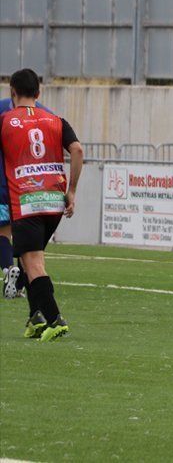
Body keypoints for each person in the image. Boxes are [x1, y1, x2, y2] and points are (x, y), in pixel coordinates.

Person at [0, 68, 83, 341]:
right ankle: (35, 318)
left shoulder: (5, 120)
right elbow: (78, 150)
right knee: (30, 259)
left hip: (26, 201)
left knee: (33, 263)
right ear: (39, 93)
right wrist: (71, 190)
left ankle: (55, 319)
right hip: (55, 203)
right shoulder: (56, 120)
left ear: (13, 93)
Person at [2, 97, 51, 300]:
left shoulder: (4, 111)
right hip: (35, 186)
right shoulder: (46, 114)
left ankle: (7, 270)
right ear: (37, 92)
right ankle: (21, 283)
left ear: (14, 91)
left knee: (3, 232)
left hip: (6, 182)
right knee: (30, 241)